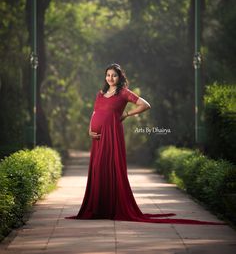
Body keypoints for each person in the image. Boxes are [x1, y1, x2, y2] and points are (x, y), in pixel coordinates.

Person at [66, 63, 224, 225]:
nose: (110, 78)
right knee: (98, 168)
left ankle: (113, 207)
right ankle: (99, 207)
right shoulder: (100, 94)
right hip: (97, 136)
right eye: (108, 75)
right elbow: (95, 112)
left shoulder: (124, 93)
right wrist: (90, 129)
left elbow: (145, 105)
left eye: (114, 75)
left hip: (113, 134)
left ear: (119, 77)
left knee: (112, 166)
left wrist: (127, 114)